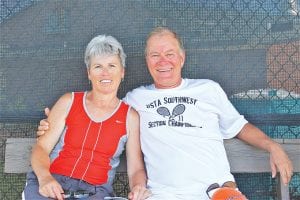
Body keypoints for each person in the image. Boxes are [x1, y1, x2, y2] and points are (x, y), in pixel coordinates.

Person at [37, 27, 293, 199]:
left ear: (181, 58)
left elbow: (239, 127)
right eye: (154, 55)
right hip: (162, 195)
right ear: (147, 60)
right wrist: (55, 121)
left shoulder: (208, 90)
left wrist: (273, 146)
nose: (163, 61)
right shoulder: (134, 101)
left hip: (214, 192)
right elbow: (101, 109)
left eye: (169, 54)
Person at [23, 35, 151, 200]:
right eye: (98, 66)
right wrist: (45, 178)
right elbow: (40, 149)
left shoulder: (130, 117)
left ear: (122, 72)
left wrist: (138, 187)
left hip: (95, 192)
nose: (105, 73)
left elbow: (135, 169)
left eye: (112, 65)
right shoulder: (69, 101)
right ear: (89, 73)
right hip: (53, 183)